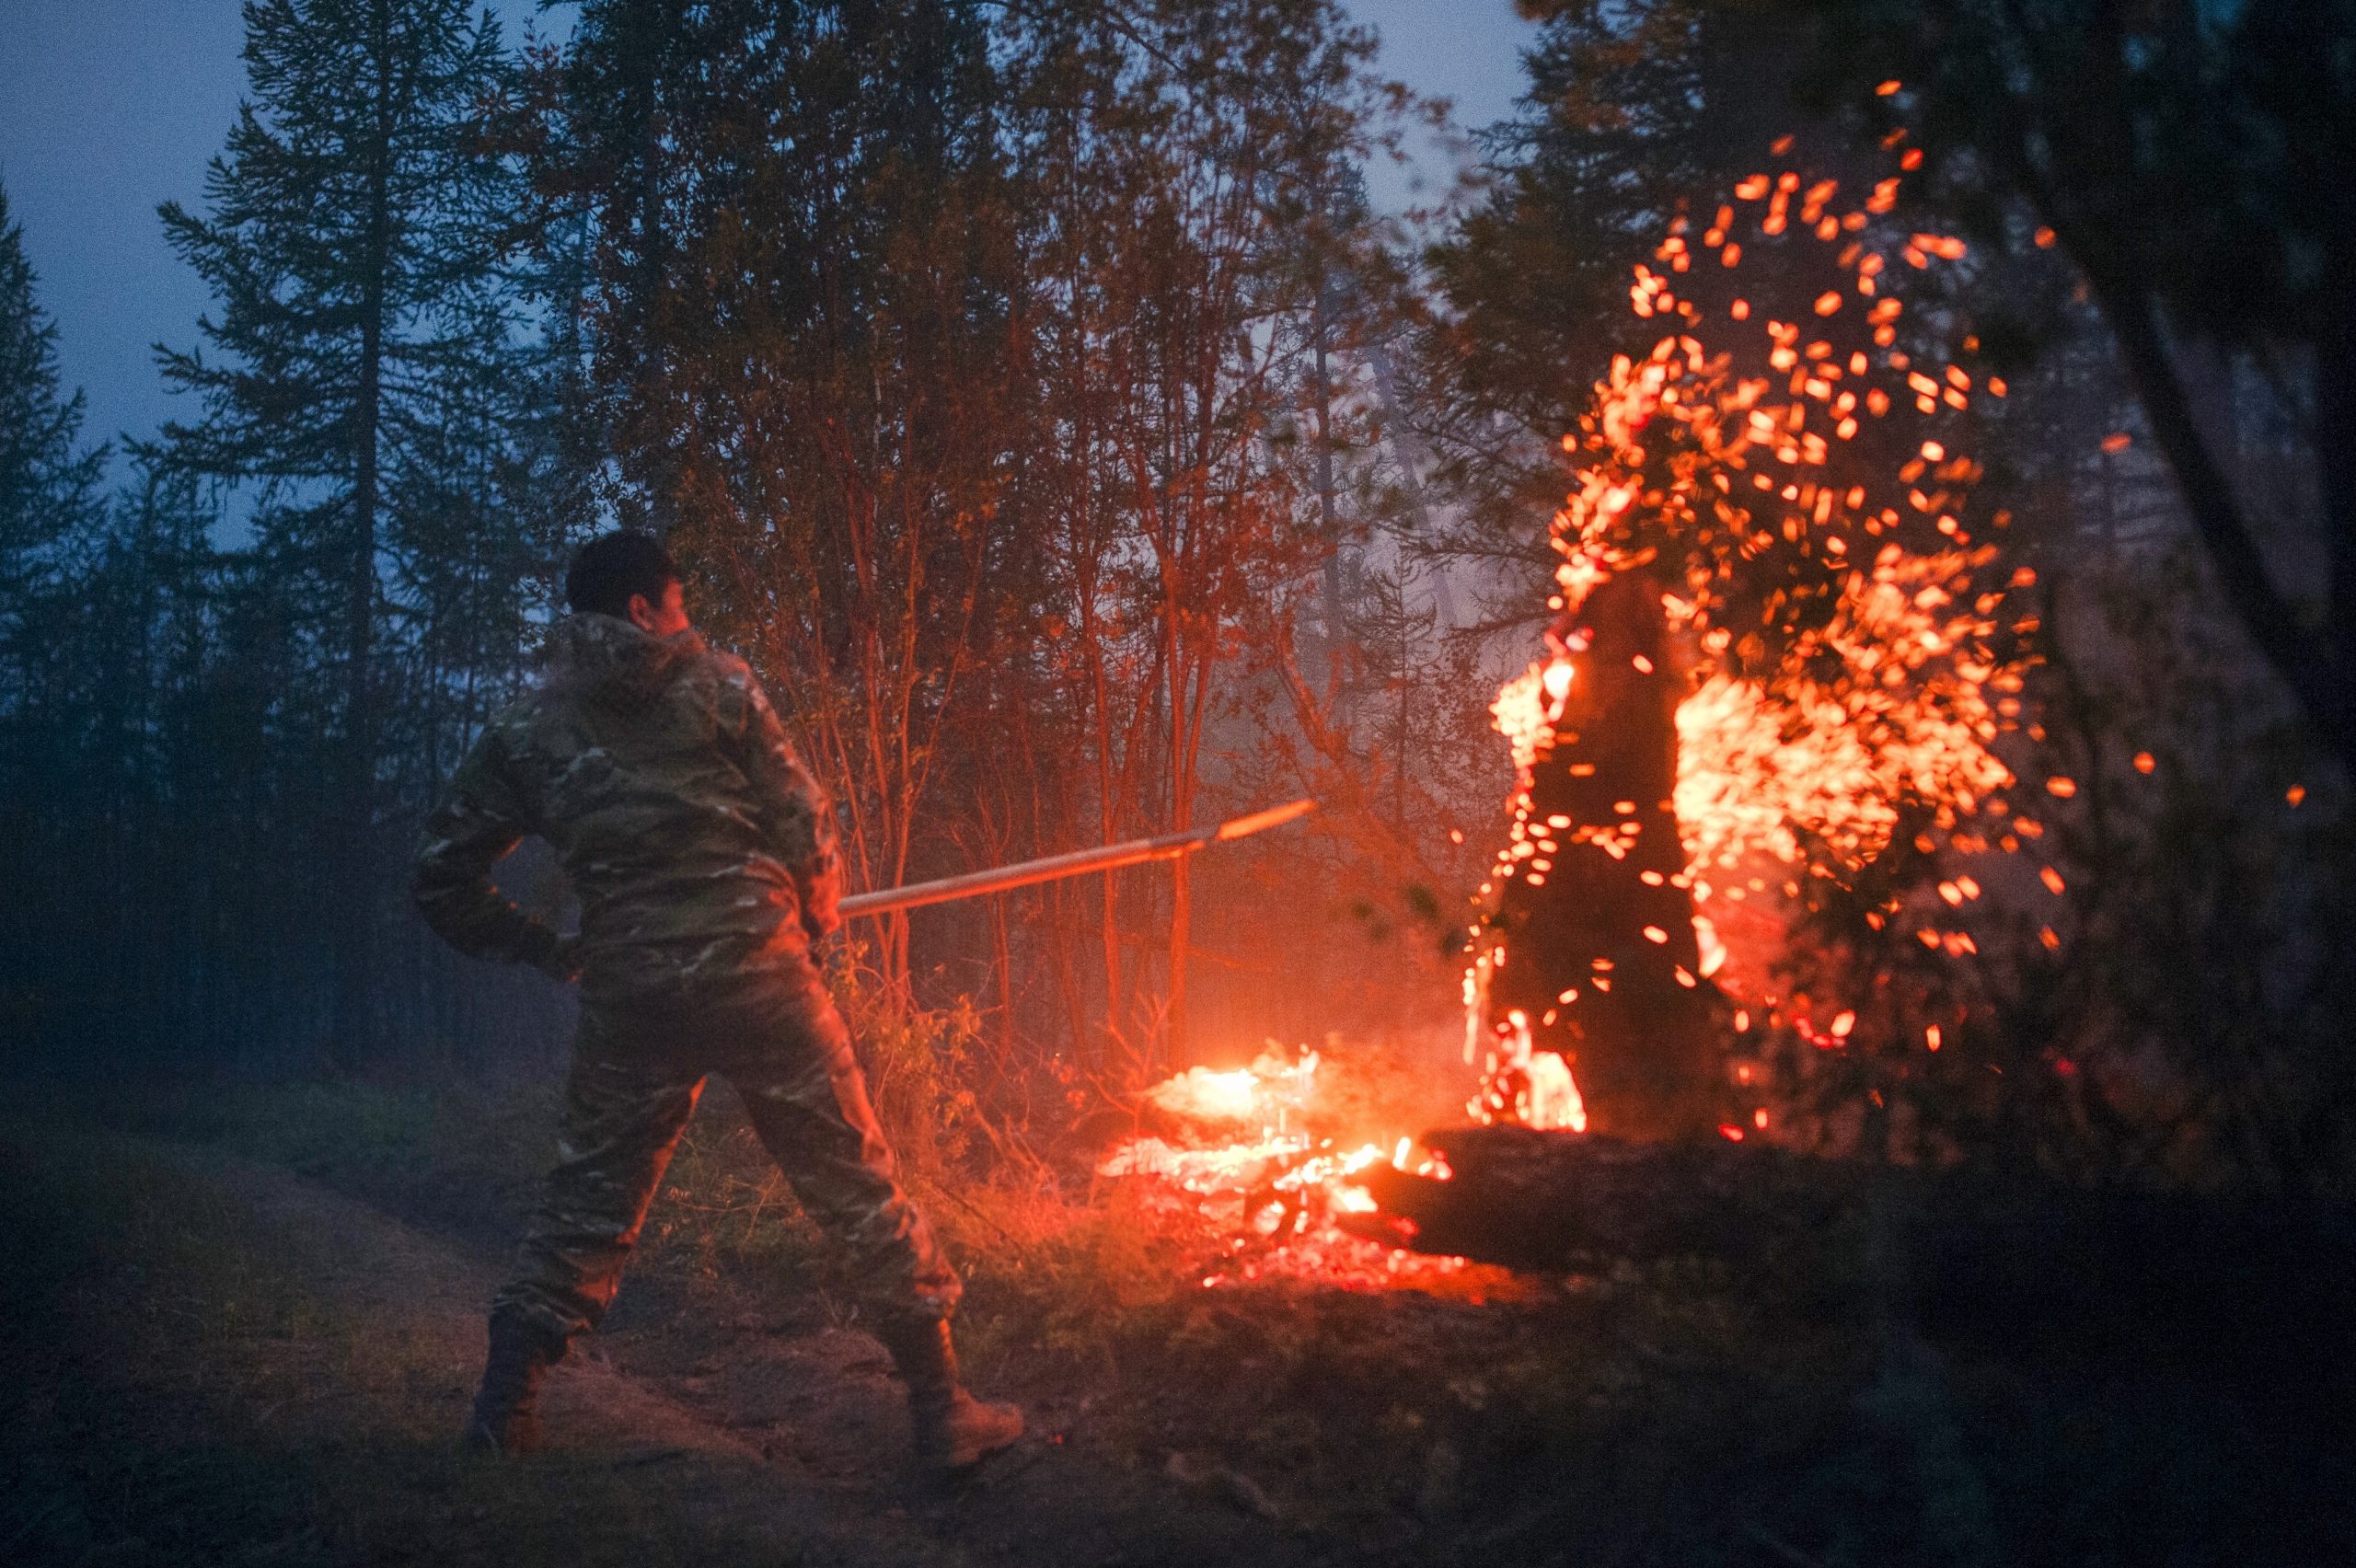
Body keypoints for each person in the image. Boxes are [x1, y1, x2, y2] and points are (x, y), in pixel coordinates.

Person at [412, 529, 1022, 1471]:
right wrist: (809, 919)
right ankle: (942, 1412)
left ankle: (504, 1415)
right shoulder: (720, 686)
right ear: (640, 610)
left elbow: (440, 881)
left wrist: (547, 949)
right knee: (855, 1184)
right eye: (679, 601)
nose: (688, 619)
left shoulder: (524, 731)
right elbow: (806, 819)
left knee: (588, 1202)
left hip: (632, 994)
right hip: (759, 973)